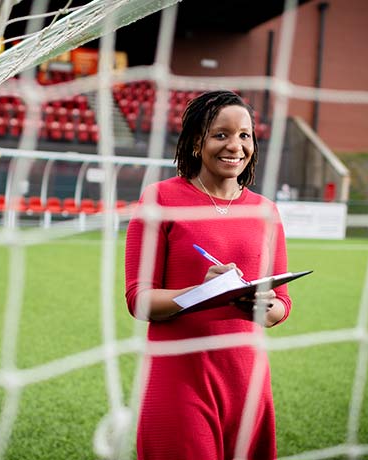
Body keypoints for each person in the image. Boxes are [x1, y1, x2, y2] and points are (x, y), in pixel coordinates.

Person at [124, 90, 291, 460]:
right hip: (180, 375)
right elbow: (139, 299)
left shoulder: (266, 211)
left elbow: (282, 304)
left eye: (244, 135)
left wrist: (265, 304)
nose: (235, 145)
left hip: (247, 379)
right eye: (221, 134)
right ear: (197, 142)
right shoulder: (160, 199)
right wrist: (203, 291)